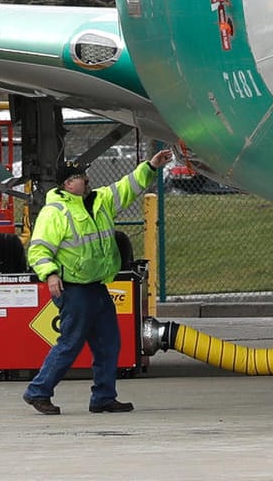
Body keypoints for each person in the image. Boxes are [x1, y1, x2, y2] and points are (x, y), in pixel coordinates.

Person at [22, 146, 173, 416]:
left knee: (109, 342)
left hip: (96, 287)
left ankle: (103, 397)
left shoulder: (100, 200)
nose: (87, 180)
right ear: (68, 184)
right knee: (70, 343)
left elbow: (128, 186)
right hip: (74, 289)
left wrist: (151, 166)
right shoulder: (54, 212)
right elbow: (38, 249)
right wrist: (51, 274)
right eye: (81, 177)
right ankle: (38, 392)